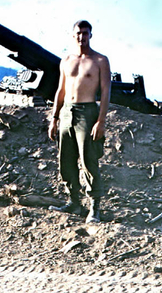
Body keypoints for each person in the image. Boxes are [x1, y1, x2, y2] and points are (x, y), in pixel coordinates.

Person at [48, 20, 111, 223]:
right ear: (72, 35)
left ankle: (95, 208)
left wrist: (100, 121)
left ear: (91, 35)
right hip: (67, 111)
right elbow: (61, 90)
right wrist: (54, 118)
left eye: (85, 33)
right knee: (65, 160)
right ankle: (74, 202)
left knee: (88, 160)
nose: (81, 37)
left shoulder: (100, 60)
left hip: (87, 112)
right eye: (78, 33)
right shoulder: (66, 59)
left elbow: (106, 92)